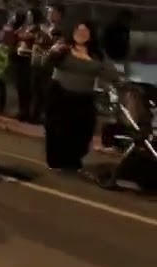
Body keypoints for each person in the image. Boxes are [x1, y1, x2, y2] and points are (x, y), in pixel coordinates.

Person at [43, 22, 119, 171]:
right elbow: (48, 63)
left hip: (83, 98)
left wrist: (118, 82)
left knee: (82, 131)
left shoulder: (97, 54)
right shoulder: (64, 48)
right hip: (60, 95)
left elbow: (111, 73)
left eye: (85, 31)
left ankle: (73, 159)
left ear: (91, 34)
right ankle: (56, 160)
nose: (81, 34)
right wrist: (53, 52)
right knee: (58, 130)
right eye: (78, 31)